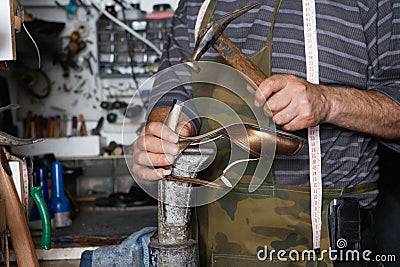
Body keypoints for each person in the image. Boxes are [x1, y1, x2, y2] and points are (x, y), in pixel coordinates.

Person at [132, 0, 400, 266]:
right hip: (215, 242)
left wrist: (329, 103)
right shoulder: (195, 4)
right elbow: (173, 88)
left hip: (329, 243)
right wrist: (162, 132)